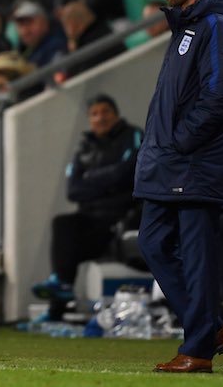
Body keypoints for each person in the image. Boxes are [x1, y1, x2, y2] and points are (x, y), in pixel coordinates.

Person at [134, 0, 223, 373]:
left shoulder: (216, 27)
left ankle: (198, 350)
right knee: (152, 242)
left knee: (197, 257)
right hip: (170, 162)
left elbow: (221, 95)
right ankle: (211, 327)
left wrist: (181, 140)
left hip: (194, 163)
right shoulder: (189, 27)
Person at [32, 95, 143, 321]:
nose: (100, 118)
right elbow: (73, 191)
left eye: (105, 112)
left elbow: (129, 173)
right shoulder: (84, 145)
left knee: (69, 241)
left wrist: (91, 178)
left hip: (121, 217)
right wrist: (109, 182)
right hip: (91, 218)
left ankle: (57, 306)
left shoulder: (133, 136)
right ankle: (60, 290)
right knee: (63, 225)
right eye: (94, 114)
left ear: (116, 114)